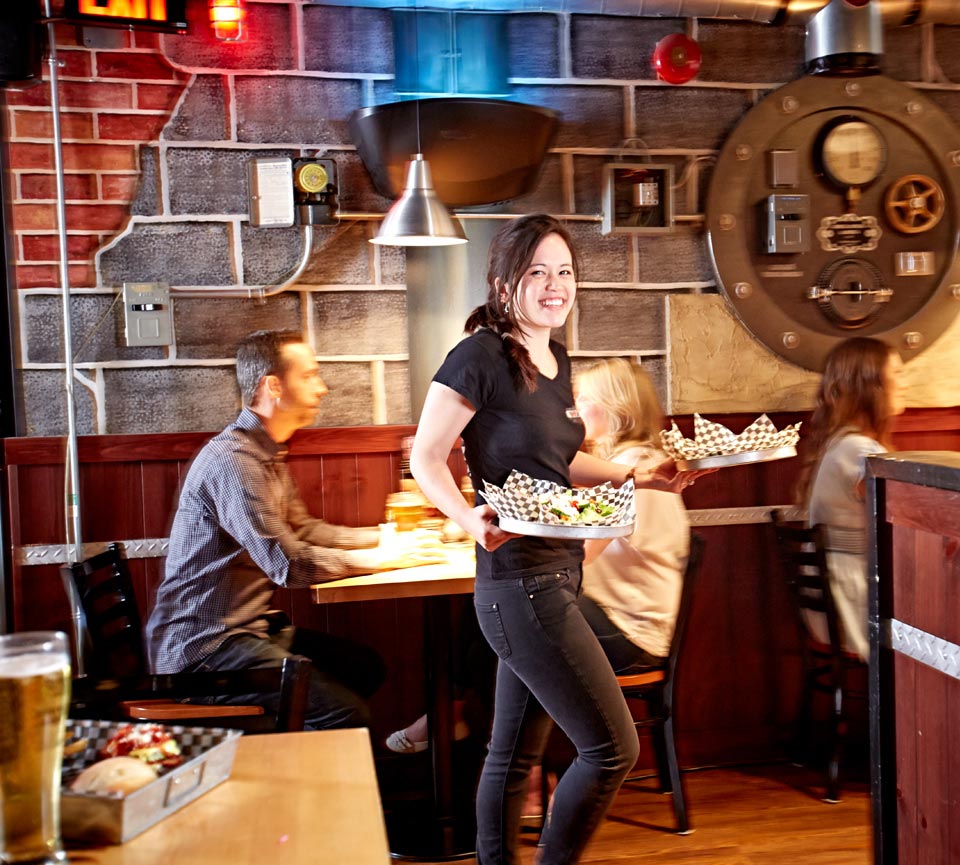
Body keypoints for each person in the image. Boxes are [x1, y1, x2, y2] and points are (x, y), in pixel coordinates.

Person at [408, 213, 701, 865]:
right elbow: (426, 455)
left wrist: (640, 472)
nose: (554, 285)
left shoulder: (557, 359)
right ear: (504, 281)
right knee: (612, 748)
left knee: (513, 756)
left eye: (564, 271)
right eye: (537, 271)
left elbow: (560, 464)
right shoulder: (479, 355)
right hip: (518, 583)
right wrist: (467, 519)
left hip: (561, 573)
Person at [146, 329, 417, 730]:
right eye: (309, 376)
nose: (322, 388)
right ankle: (305, 784)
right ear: (273, 385)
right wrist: (375, 561)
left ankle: (302, 768)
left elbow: (302, 529)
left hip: (245, 631)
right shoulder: (233, 461)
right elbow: (286, 564)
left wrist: (383, 536)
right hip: (203, 650)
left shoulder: (263, 451)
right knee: (344, 712)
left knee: (362, 667)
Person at [793, 337, 907, 659]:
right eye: (897, 373)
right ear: (871, 386)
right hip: (852, 607)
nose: (905, 384)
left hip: (838, 601)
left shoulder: (842, 443)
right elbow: (901, 513)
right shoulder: (859, 451)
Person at [576, 359, 689, 674]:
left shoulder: (630, 468)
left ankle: (465, 716)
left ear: (616, 407)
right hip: (634, 625)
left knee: (526, 608)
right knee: (516, 612)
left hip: (632, 634)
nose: (576, 407)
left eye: (584, 397)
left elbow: (581, 553)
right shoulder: (640, 462)